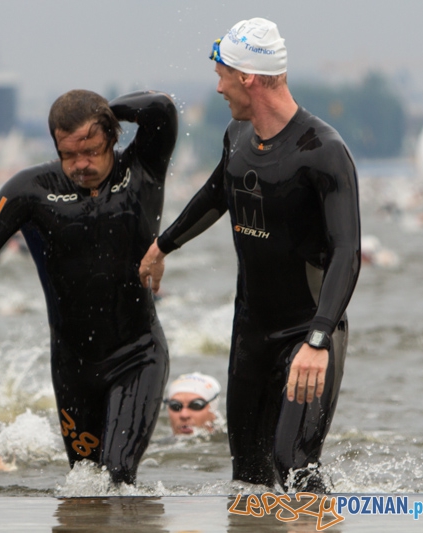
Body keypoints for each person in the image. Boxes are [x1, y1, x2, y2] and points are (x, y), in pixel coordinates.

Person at [139, 18, 360, 492]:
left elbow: (348, 252)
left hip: (308, 333)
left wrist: (318, 342)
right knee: (249, 479)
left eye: (222, 76)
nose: (218, 88)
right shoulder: (238, 136)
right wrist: (163, 245)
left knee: (293, 465)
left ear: (248, 79)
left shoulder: (322, 150)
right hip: (250, 336)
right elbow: (219, 191)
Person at [0, 89, 178, 485]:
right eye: (69, 154)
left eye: (92, 150)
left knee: (116, 477)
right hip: (73, 369)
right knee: (84, 484)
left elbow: (161, 108)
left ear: (113, 138)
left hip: (138, 355)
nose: (81, 165)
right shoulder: (29, 190)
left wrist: (102, 112)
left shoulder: (143, 167)